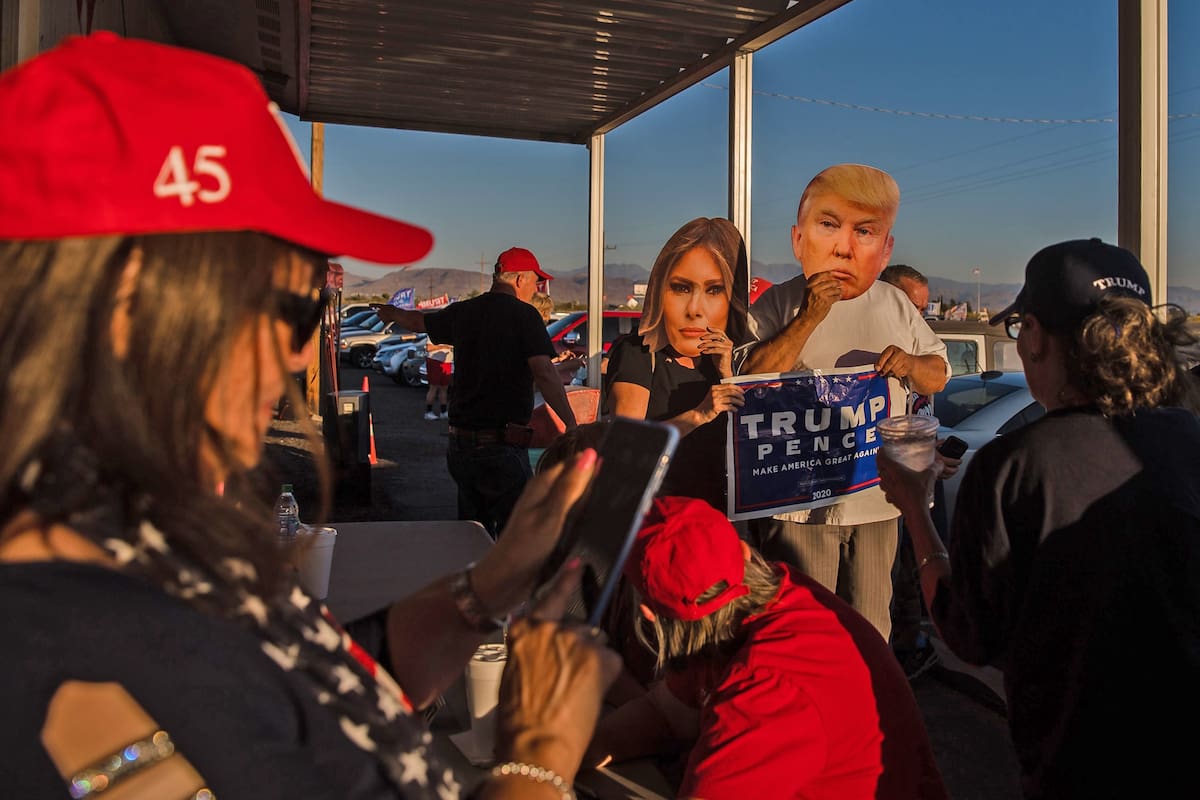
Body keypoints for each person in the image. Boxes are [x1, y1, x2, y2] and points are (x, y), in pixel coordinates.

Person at [0, 33, 618, 799]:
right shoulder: (61, 665)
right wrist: (536, 760)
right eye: (289, 305)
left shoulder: (153, 536)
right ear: (128, 304)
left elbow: (318, 696)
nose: (298, 358)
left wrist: (486, 588)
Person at [876, 238, 1200, 799]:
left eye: (1021, 326)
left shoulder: (1013, 468)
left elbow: (968, 632)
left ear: (1037, 340)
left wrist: (915, 506)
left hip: (1078, 764)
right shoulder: (1188, 441)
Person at [587, 496, 949, 800]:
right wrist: (560, 756)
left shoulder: (766, 685)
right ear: (744, 554)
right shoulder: (771, 591)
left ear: (649, 615)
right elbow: (667, 715)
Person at [735, 164, 951, 640]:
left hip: (877, 498)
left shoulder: (894, 303)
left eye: (865, 232)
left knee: (873, 627)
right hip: (797, 504)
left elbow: (937, 374)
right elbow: (749, 379)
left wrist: (911, 364)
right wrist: (809, 317)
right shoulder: (777, 304)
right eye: (828, 225)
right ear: (799, 240)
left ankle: (868, 711)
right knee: (804, 627)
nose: (843, 248)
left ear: (885, 249)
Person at [376, 247, 578, 537]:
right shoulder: (525, 316)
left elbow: (420, 322)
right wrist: (570, 424)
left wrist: (391, 313)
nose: (536, 289)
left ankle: (472, 579)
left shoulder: (464, 311)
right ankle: (505, 583)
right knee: (519, 536)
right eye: (536, 282)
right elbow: (544, 372)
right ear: (519, 279)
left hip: (460, 447)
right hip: (500, 447)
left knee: (472, 535)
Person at [605, 217, 749, 510]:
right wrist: (699, 414)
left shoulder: (736, 360)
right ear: (660, 291)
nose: (694, 310)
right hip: (660, 520)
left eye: (714, 290)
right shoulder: (639, 353)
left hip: (722, 522)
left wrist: (727, 373)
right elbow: (626, 451)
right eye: (682, 288)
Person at [878, 264, 960, 678]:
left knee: (917, 575)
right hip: (884, 492)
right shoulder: (874, 352)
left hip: (925, 485)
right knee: (893, 581)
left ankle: (911, 649)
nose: (918, 317)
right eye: (912, 306)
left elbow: (931, 413)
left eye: (924, 310)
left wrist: (942, 453)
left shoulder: (922, 356)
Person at [423, 342, 453, 420]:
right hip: (435, 360)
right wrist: (444, 347)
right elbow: (429, 348)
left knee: (444, 387)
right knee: (434, 386)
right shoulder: (435, 332)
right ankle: (428, 412)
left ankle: (443, 411)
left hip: (447, 361)